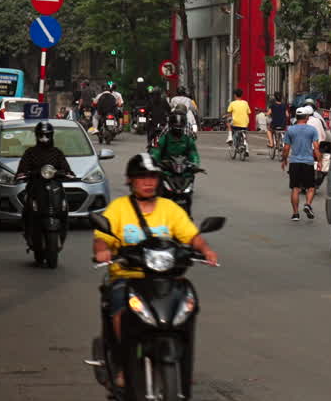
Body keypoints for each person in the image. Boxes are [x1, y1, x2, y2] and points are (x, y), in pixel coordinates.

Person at [92, 154, 219, 385]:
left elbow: (191, 235)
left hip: (165, 280)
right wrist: (103, 250)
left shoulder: (169, 208)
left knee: (187, 306)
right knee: (120, 310)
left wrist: (206, 249)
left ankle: (182, 360)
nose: (148, 182)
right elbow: (103, 238)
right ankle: (121, 363)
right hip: (128, 278)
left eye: (153, 177)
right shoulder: (119, 208)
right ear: (131, 180)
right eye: (142, 178)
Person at [16, 122, 72, 245]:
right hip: (35, 188)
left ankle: (63, 231)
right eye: (41, 136)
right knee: (27, 208)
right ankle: (28, 232)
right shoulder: (30, 153)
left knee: (64, 208)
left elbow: (66, 169)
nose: (44, 139)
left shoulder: (57, 153)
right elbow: (21, 170)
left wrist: (66, 173)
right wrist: (24, 174)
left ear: (52, 136)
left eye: (47, 136)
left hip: (55, 188)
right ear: (37, 136)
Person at [281, 107, 322, 221]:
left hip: (294, 162)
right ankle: (308, 204)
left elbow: (286, 148)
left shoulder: (290, 130)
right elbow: (316, 147)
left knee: (295, 188)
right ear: (306, 117)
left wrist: (284, 160)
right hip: (308, 162)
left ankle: (295, 214)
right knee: (311, 187)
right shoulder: (312, 130)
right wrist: (319, 161)